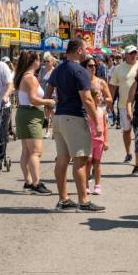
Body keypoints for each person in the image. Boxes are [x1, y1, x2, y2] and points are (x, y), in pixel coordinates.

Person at [45, 38, 105, 212]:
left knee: (62, 159)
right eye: (85, 49)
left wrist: (49, 110)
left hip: (60, 117)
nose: (87, 52)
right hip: (74, 117)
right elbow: (86, 99)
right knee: (80, 160)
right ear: (79, 50)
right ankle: (84, 202)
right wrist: (97, 122)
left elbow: (49, 93)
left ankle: (63, 199)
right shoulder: (80, 71)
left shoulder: (58, 69)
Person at [14, 51, 56, 195]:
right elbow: (33, 99)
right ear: (34, 62)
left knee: (26, 151)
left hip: (24, 114)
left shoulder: (22, 76)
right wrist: (48, 101)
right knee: (35, 152)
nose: (41, 62)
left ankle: (28, 181)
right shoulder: (30, 78)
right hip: (30, 115)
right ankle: (36, 184)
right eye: (39, 60)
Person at [81, 57, 112, 195]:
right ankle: (86, 182)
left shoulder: (100, 82)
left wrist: (100, 98)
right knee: (87, 161)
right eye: (90, 65)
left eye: (95, 66)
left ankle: (97, 184)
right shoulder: (80, 81)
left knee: (97, 162)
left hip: (99, 114)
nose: (93, 68)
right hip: (85, 118)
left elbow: (110, 98)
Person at [109, 45, 138, 163]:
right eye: (131, 53)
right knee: (127, 130)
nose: (134, 55)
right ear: (126, 55)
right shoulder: (118, 68)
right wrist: (110, 102)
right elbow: (112, 86)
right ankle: (128, 153)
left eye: (135, 53)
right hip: (123, 104)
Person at [38, 52, 58, 138]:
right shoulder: (42, 69)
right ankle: (47, 131)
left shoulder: (55, 71)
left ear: (52, 62)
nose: (46, 63)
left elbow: (57, 84)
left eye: (48, 61)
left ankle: (55, 131)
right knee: (47, 114)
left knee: (53, 113)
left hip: (52, 95)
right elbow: (38, 81)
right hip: (44, 95)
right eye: (45, 61)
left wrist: (57, 96)